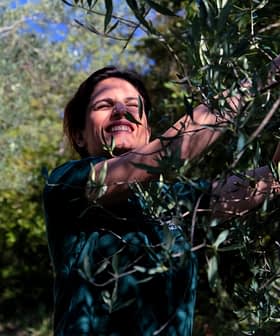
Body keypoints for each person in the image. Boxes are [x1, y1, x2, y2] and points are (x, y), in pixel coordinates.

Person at [43, 63, 280, 335]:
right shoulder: (67, 184)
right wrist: (263, 76)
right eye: (104, 105)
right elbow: (165, 155)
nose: (122, 111)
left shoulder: (177, 198)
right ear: (79, 135)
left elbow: (272, 180)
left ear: (147, 130)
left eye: (133, 105)